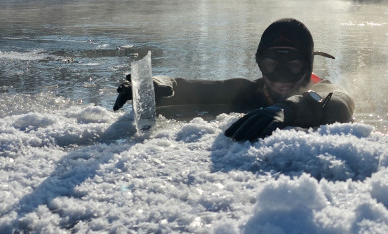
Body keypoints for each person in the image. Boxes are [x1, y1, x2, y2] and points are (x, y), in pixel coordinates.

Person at [113, 18, 355, 142]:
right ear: (260, 63)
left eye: (292, 66)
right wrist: (150, 84)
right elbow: (188, 87)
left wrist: (290, 109)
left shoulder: (322, 90)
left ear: (308, 66)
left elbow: (340, 102)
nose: (280, 77)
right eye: (271, 65)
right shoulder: (249, 92)